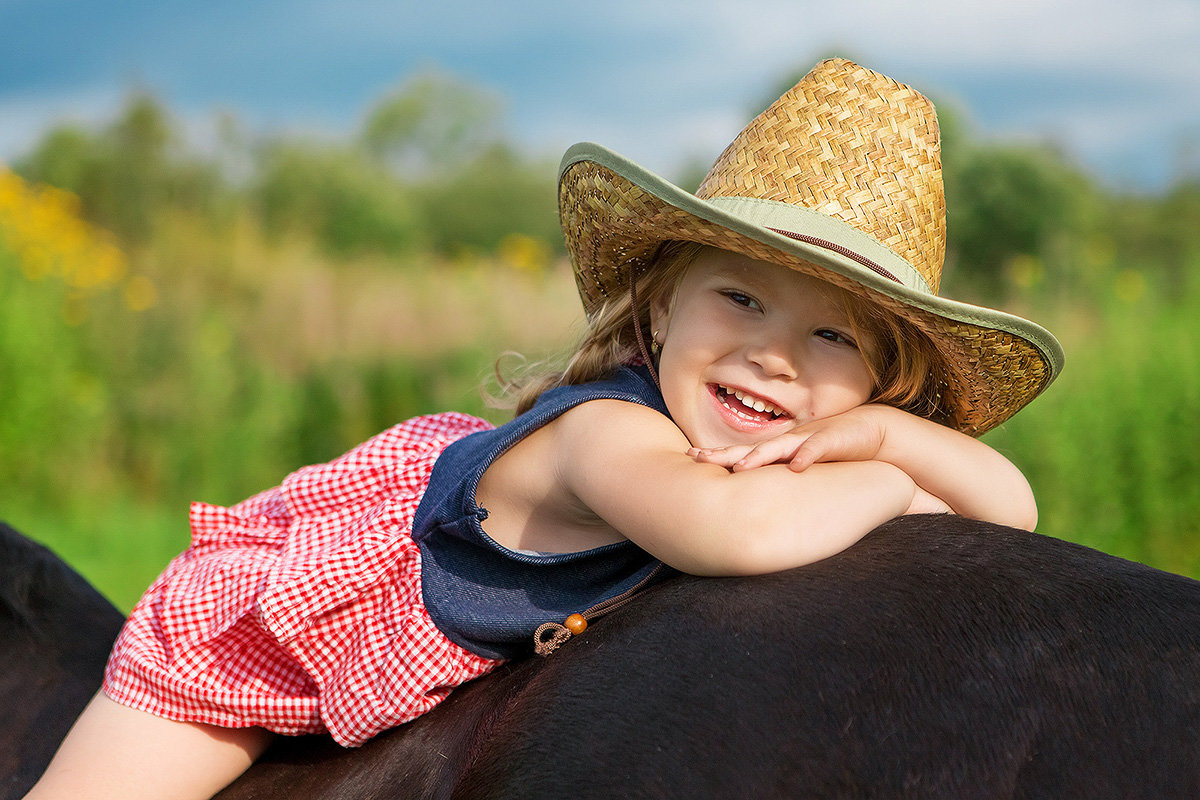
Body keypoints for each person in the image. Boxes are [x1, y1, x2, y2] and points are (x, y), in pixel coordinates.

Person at [25, 58, 1063, 800]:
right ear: (659, 309)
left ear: (879, 379)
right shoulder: (605, 439)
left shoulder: (819, 434)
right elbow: (736, 534)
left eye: (832, 333)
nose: (774, 356)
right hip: (269, 636)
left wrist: (881, 437)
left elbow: (1008, 513)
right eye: (738, 300)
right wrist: (885, 476)